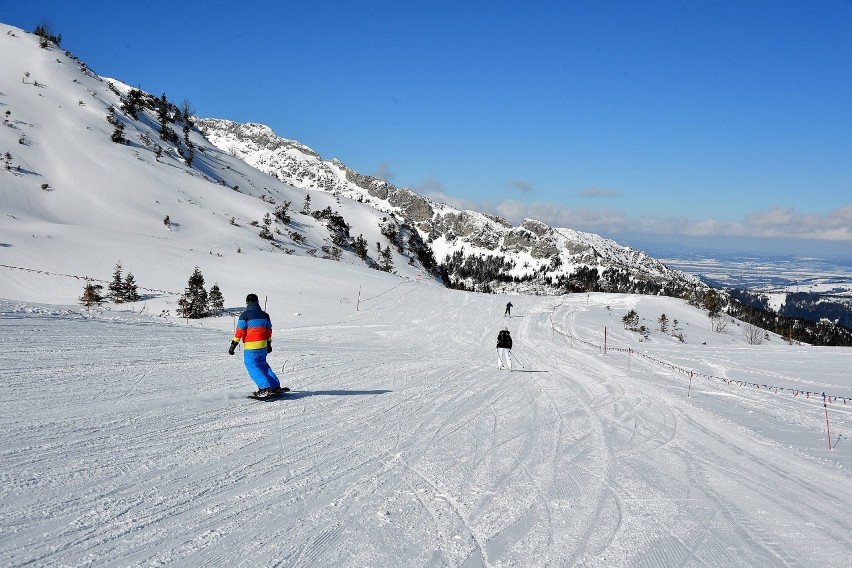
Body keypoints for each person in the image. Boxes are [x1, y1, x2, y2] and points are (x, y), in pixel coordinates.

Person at [229, 293, 282, 397]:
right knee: (263, 365)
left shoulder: (245, 315)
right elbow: (268, 331)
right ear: (257, 302)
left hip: (251, 347)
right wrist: (269, 344)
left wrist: (233, 345)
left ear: (247, 303)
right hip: (263, 346)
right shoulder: (265, 315)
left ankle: (264, 387)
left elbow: (240, 331)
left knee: (251, 365)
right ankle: (275, 387)